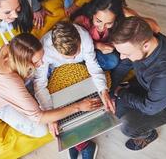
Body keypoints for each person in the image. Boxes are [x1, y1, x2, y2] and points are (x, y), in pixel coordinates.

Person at [0, 33, 102, 138]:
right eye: (36, 61)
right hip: (1, 105)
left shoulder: (12, 47)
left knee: (48, 90)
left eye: (40, 58)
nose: (42, 63)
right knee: (41, 130)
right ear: (23, 63)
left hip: (4, 85)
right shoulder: (12, 84)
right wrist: (78, 107)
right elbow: (39, 117)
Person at [109, 16, 166, 150]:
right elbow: (124, 64)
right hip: (150, 85)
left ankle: (147, 135)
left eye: (126, 53)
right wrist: (111, 90)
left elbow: (150, 108)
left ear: (146, 45)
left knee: (128, 127)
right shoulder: (145, 41)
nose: (122, 57)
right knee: (118, 107)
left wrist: (121, 92)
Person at [33, 22, 115, 159]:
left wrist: (103, 91)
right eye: (67, 56)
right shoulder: (44, 48)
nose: (72, 58)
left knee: (94, 96)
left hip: (82, 67)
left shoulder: (84, 36)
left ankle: (77, 142)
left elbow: (92, 65)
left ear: (79, 39)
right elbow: (40, 83)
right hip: (58, 73)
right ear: (54, 48)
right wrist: (51, 116)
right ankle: (79, 143)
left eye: (75, 53)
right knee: (61, 111)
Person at [71, 0, 161, 91]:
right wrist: (97, 46)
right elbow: (75, 43)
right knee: (112, 61)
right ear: (92, 14)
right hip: (87, 48)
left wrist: (132, 15)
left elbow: (156, 28)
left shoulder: (122, 16)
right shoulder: (82, 19)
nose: (102, 27)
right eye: (98, 21)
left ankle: (116, 84)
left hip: (113, 49)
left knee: (133, 56)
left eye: (109, 23)